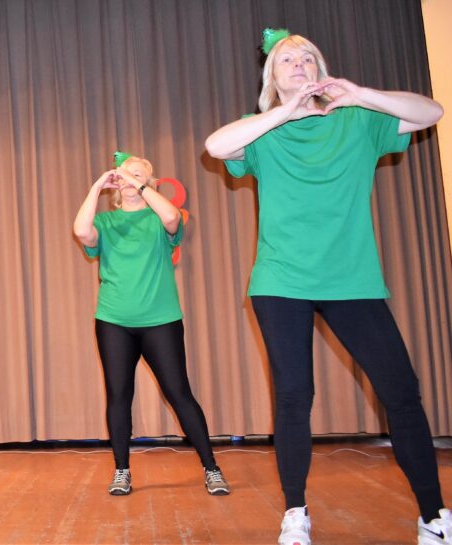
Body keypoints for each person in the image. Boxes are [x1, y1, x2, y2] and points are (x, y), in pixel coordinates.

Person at [206, 29, 450, 545]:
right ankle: (295, 512)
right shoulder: (261, 132)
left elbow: (432, 112)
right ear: (272, 77)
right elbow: (216, 145)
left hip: (352, 279)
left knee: (402, 392)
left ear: (320, 69)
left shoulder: (358, 121)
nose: (298, 63)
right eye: (286, 60)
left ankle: (433, 516)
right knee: (295, 395)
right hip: (282, 280)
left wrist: (359, 94)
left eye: (307, 57)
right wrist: (283, 111)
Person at [72, 152, 229, 497]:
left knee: (179, 392)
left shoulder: (159, 219)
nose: (130, 178)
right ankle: (122, 471)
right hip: (114, 321)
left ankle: (212, 468)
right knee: (118, 395)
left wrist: (140, 184)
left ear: (149, 183)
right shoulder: (106, 222)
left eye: (139, 174)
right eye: (125, 174)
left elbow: (172, 216)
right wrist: (97, 186)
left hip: (161, 320)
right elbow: (82, 231)